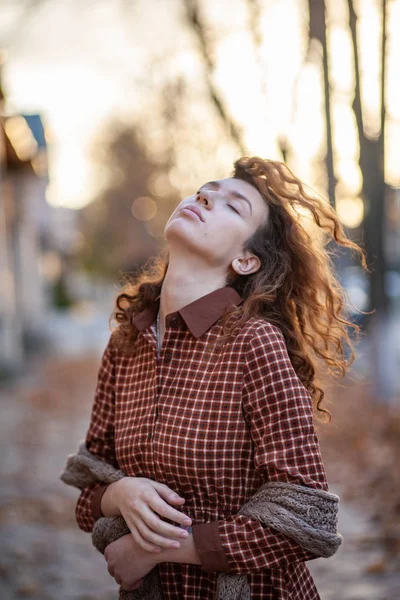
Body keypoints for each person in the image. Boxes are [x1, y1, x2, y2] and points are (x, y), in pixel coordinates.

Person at [75, 156, 367, 599]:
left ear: (246, 260)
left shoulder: (254, 343)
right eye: (204, 190)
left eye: (233, 207)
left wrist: (158, 549)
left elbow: (307, 520)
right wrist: (120, 495)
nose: (205, 197)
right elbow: (88, 486)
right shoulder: (126, 345)